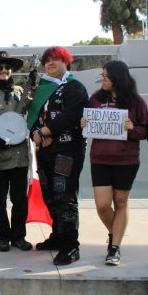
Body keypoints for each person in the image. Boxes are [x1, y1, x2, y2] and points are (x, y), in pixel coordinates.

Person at [80, 60, 148, 266]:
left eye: (106, 76)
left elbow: (146, 131)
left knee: (120, 203)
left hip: (126, 160)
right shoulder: (95, 99)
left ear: (118, 78)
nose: (103, 79)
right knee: (102, 205)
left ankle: (115, 246)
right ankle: (115, 233)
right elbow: (87, 124)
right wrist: (83, 123)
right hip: (100, 158)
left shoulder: (136, 102)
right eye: (102, 76)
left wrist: (132, 128)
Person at [28, 46, 88, 265]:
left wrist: (46, 131)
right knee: (50, 196)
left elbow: (72, 115)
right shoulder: (44, 88)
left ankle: (71, 246)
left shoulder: (75, 88)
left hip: (68, 151)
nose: (50, 64)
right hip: (45, 151)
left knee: (65, 197)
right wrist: (36, 132)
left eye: (55, 59)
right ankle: (58, 236)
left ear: (66, 61)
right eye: (47, 61)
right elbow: (34, 115)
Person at [0, 51, 33, 253]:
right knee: (0, 201)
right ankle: (3, 237)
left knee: (20, 200)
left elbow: (31, 114)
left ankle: (19, 236)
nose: (4, 70)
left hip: (20, 157)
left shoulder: (21, 91)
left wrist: (34, 87)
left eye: (7, 67)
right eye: (0, 67)